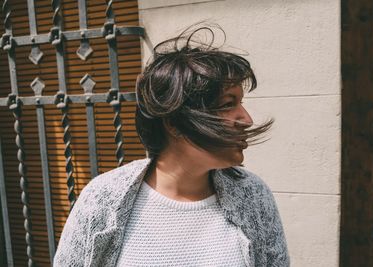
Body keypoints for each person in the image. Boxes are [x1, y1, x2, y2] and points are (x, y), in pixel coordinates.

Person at [53, 26, 290, 267]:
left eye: (240, 103)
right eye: (228, 104)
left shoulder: (252, 195)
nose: (246, 119)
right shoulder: (102, 198)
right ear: (174, 123)